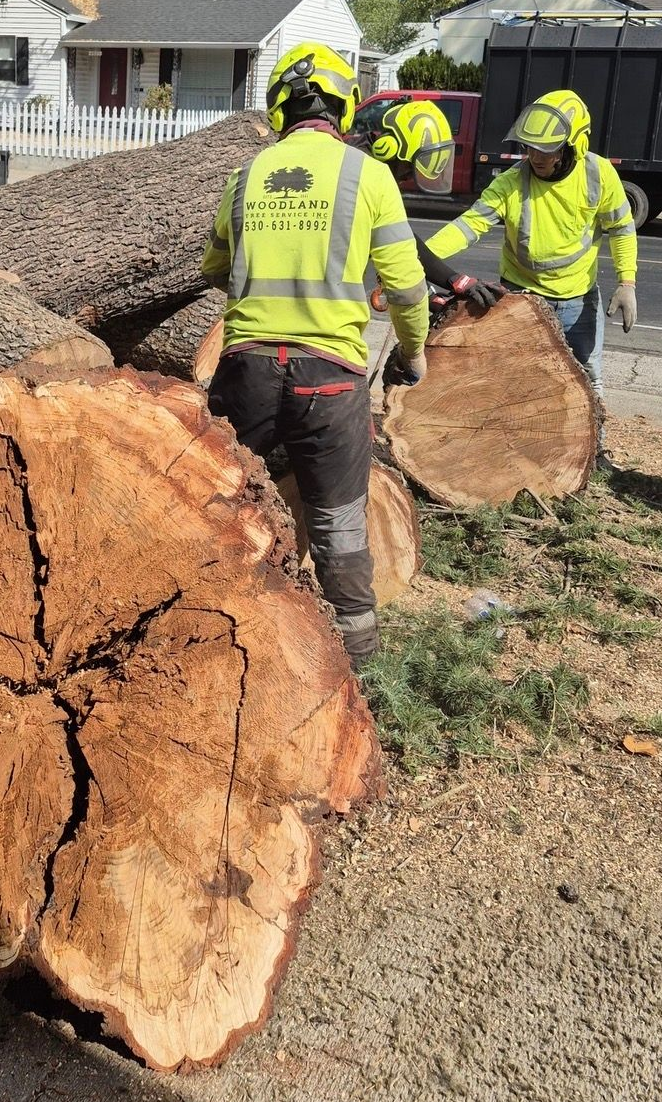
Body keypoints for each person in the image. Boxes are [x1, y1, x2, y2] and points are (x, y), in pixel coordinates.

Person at [201, 43, 430, 666]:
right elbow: (407, 288)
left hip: (245, 372)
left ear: (279, 110)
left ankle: (204, 638)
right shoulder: (368, 175)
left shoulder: (246, 176)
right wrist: (413, 353)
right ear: (345, 106)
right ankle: (355, 673)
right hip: (330, 381)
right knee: (338, 529)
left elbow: (215, 265)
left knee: (210, 506)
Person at [423, 90, 638, 454]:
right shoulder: (511, 182)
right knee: (513, 377)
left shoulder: (599, 175)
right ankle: (513, 449)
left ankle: (591, 453)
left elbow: (621, 228)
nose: (535, 157)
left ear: (575, 145)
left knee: (587, 378)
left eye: (546, 149)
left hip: (577, 300)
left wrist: (627, 281)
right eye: (529, 148)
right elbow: (468, 226)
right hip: (521, 297)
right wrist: (420, 257)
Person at [349, 98, 505, 311]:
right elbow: (397, 243)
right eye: (406, 169)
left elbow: (399, 239)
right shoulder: (359, 179)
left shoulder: (360, 166)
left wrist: (446, 284)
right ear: (387, 149)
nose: (405, 179)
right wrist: (450, 281)